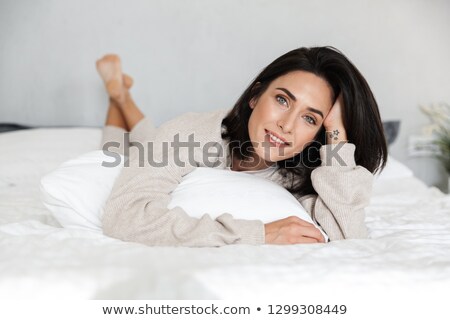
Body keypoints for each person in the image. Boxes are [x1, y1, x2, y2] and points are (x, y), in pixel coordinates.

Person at [97, 46, 387, 247]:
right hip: (182, 135)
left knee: (144, 144)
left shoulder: (303, 175)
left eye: (310, 118)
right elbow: (124, 216)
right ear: (255, 96)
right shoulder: (191, 132)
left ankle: (119, 98)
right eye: (282, 100)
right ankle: (120, 99)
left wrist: (337, 132)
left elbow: (348, 237)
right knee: (114, 153)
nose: (286, 125)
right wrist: (258, 234)